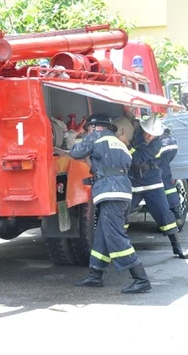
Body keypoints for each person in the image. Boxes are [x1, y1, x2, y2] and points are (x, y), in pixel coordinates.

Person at [67, 113, 151, 294]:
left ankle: (141, 278)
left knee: (115, 236)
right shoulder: (120, 143)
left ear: (94, 127)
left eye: (88, 128)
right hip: (122, 191)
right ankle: (95, 275)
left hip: (110, 191)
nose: (88, 131)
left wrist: (72, 140)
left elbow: (76, 153)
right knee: (103, 235)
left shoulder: (96, 136)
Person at [124, 115, 188, 259]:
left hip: (153, 182)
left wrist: (129, 149)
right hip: (134, 181)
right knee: (123, 213)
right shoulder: (135, 135)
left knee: (165, 214)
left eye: (152, 134)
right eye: (147, 132)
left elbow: (135, 159)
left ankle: (177, 248)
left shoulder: (157, 144)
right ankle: (120, 245)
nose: (149, 136)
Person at [158, 126, 183, 222]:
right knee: (166, 175)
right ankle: (176, 211)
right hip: (171, 144)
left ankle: (175, 212)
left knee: (165, 179)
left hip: (164, 147)